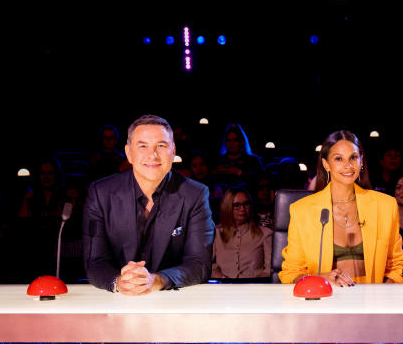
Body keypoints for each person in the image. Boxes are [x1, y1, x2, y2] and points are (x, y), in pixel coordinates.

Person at [83, 115, 215, 294]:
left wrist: (157, 280)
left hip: (174, 299)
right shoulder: (100, 193)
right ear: (129, 153)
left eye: (161, 146)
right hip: (117, 301)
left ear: (173, 151)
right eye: (142, 146)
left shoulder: (196, 194)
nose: (152, 155)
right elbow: (95, 261)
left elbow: (199, 263)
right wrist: (120, 282)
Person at [279, 130, 403, 286]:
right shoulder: (302, 210)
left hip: (372, 304)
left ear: (361, 162)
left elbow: (397, 265)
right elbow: (291, 273)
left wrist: (380, 299)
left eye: (353, 157)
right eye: (339, 159)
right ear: (326, 164)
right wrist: (318, 281)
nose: (348, 165)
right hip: (325, 302)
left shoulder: (385, 205)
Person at [211, 187, 272, 279]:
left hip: (255, 288)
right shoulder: (216, 233)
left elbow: (269, 270)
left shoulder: (265, 234)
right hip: (223, 288)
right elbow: (209, 266)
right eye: (237, 205)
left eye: (246, 204)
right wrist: (222, 279)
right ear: (227, 207)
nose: (242, 209)